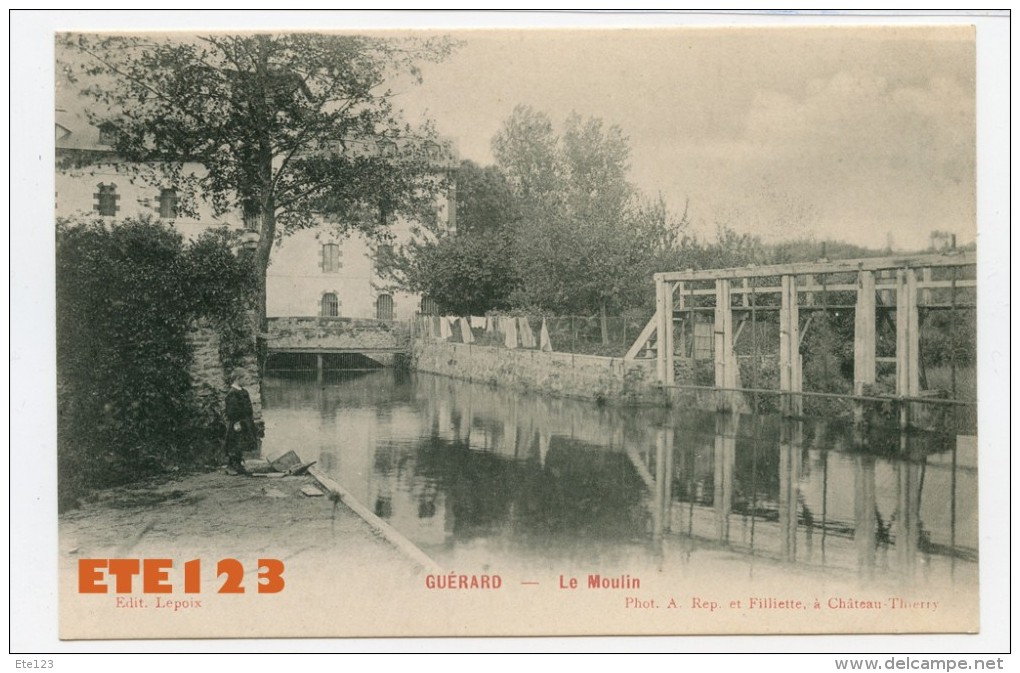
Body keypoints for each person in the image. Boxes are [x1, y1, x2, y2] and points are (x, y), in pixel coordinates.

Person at [223, 368, 256, 475]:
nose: (248, 381)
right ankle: (233, 464)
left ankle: (238, 463)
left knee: (241, 443)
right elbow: (232, 411)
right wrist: (236, 422)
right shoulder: (233, 393)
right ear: (238, 379)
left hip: (245, 421)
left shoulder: (243, 391)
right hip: (238, 423)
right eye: (246, 379)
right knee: (235, 443)